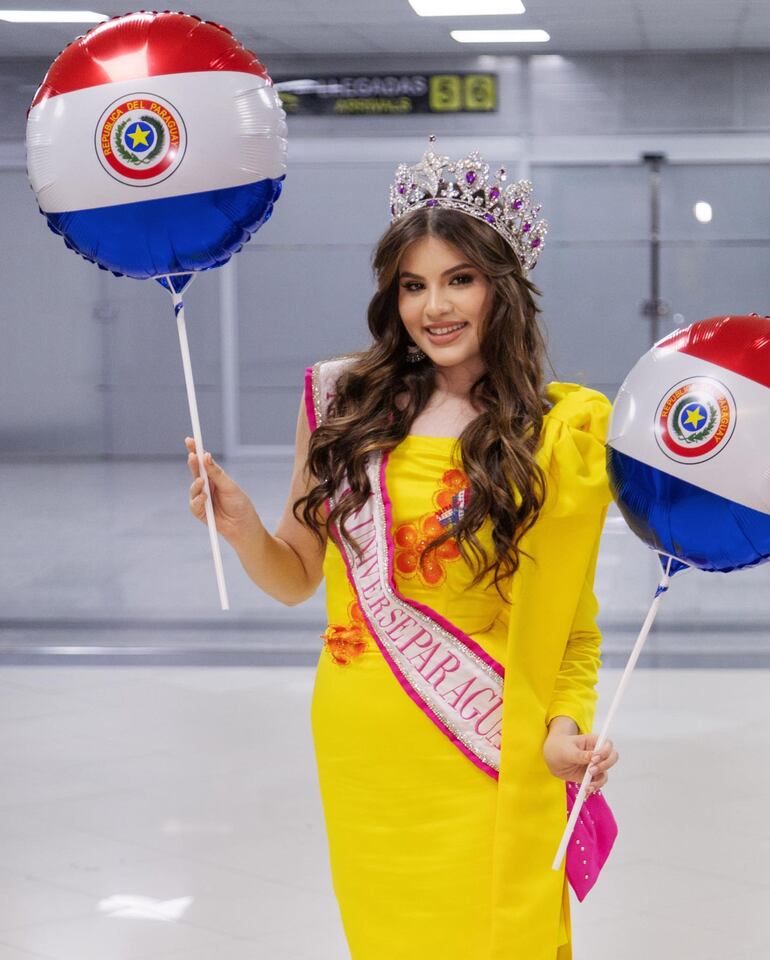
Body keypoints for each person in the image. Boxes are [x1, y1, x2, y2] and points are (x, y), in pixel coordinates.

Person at [184, 142, 619, 960]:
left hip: (493, 743)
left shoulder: (559, 433)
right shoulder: (341, 400)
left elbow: (575, 631)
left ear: (504, 287)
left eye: (460, 279)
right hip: (366, 737)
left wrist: (566, 730)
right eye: (413, 285)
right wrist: (242, 527)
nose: (435, 307)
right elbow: (296, 575)